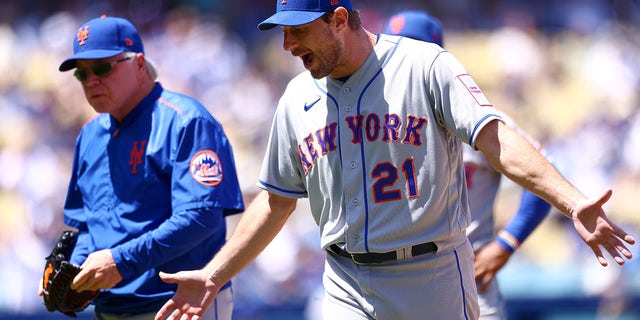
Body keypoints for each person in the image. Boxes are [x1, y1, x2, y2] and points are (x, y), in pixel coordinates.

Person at [154, 1, 635, 319]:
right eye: (282, 33)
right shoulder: (296, 96)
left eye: (298, 30)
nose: (287, 45)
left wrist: (573, 204)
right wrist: (215, 274)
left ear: (339, 19)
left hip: (430, 276)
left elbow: (497, 141)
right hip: (343, 279)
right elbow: (275, 201)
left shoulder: (426, 67)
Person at [39, 16, 244, 320]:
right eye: (82, 74)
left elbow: (201, 219)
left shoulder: (186, 121)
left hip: (180, 305)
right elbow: (85, 225)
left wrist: (119, 261)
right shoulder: (90, 135)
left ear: (138, 63)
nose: (91, 80)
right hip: (111, 309)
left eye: (103, 68)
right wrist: (76, 270)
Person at [384, 10, 552, 320]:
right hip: (394, 288)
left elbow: (544, 174)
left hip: (469, 282)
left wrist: (507, 242)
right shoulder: (370, 125)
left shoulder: (476, 117)